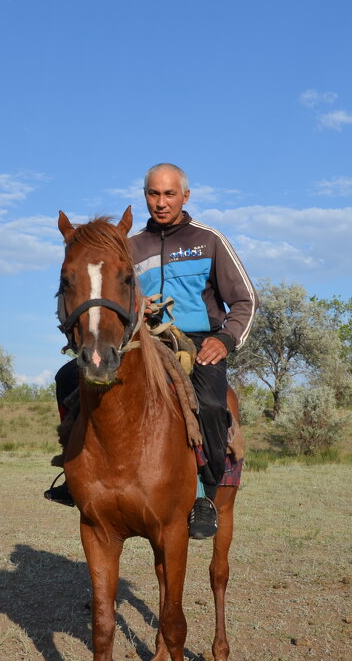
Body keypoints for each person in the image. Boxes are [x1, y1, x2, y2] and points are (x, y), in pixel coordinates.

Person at [46, 163, 256, 540]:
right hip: (141, 339)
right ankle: (73, 470)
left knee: (209, 403)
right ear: (145, 196)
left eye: (169, 194)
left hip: (197, 342)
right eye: (153, 194)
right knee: (67, 379)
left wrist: (223, 340)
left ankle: (205, 494)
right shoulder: (130, 244)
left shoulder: (209, 241)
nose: (161, 203)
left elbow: (245, 300)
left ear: (185, 196)